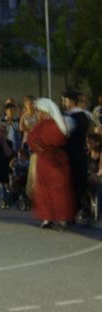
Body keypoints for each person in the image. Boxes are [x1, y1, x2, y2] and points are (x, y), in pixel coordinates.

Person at [29, 98, 75, 229]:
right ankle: (57, 219)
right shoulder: (58, 124)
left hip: (47, 160)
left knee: (48, 190)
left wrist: (39, 147)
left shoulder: (44, 126)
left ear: (45, 112)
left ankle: (50, 218)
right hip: (55, 160)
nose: (37, 114)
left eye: (39, 111)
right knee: (57, 189)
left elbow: (32, 141)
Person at [62, 89, 91, 223]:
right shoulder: (83, 116)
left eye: (65, 100)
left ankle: (73, 212)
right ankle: (72, 212)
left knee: (73, 183)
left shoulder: (74, 116)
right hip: (77, 153)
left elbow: (66, 134)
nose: (63, 103)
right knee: (75, 183)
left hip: (72, 153)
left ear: (72, 101)